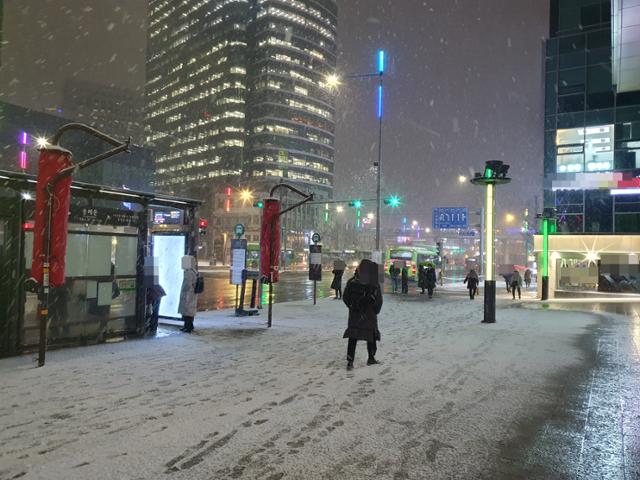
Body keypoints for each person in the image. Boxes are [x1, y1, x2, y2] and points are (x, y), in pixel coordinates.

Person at [343, 259, 383, 370]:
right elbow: (378, 301)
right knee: (371, 336)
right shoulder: (373, 284)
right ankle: (371, 358)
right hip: (369, 316)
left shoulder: (352, 282)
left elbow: (345, 298)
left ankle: (350, 362)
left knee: (353, 337)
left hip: (355, 316)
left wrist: (352, 306)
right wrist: (375, 310)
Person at [178, 255, 198, 333]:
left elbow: (187, 284)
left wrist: (183, 291)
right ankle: (188, 326)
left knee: (187, 311)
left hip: (188, 294)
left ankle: (188, 326)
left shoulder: (188, 272)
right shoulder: (193, 271)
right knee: (189, 311)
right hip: (191, 294)